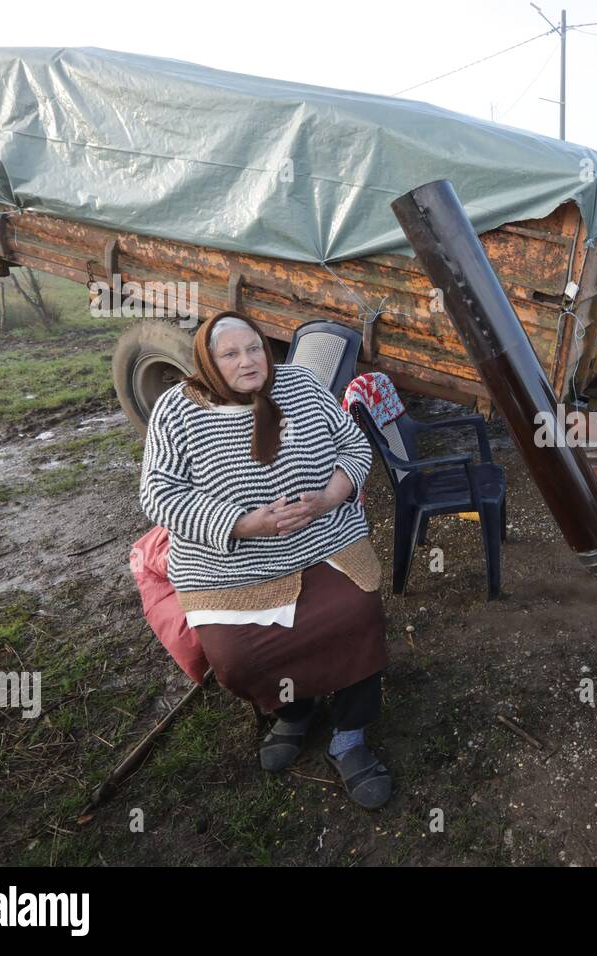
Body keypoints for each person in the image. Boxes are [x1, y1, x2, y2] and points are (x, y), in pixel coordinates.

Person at [139, 310, 390, 809]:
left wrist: (329, 498)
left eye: (254, 347)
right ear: (207, 363)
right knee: (236, 656)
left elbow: (354, 447)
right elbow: (159, 495)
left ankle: (348, 737)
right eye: (229, 354)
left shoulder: (301, 385)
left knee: (355, 614)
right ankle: (294, 711)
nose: (248, 361)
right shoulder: (177, 409)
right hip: (229, 562)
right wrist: (244, 523)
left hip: (321, 539)